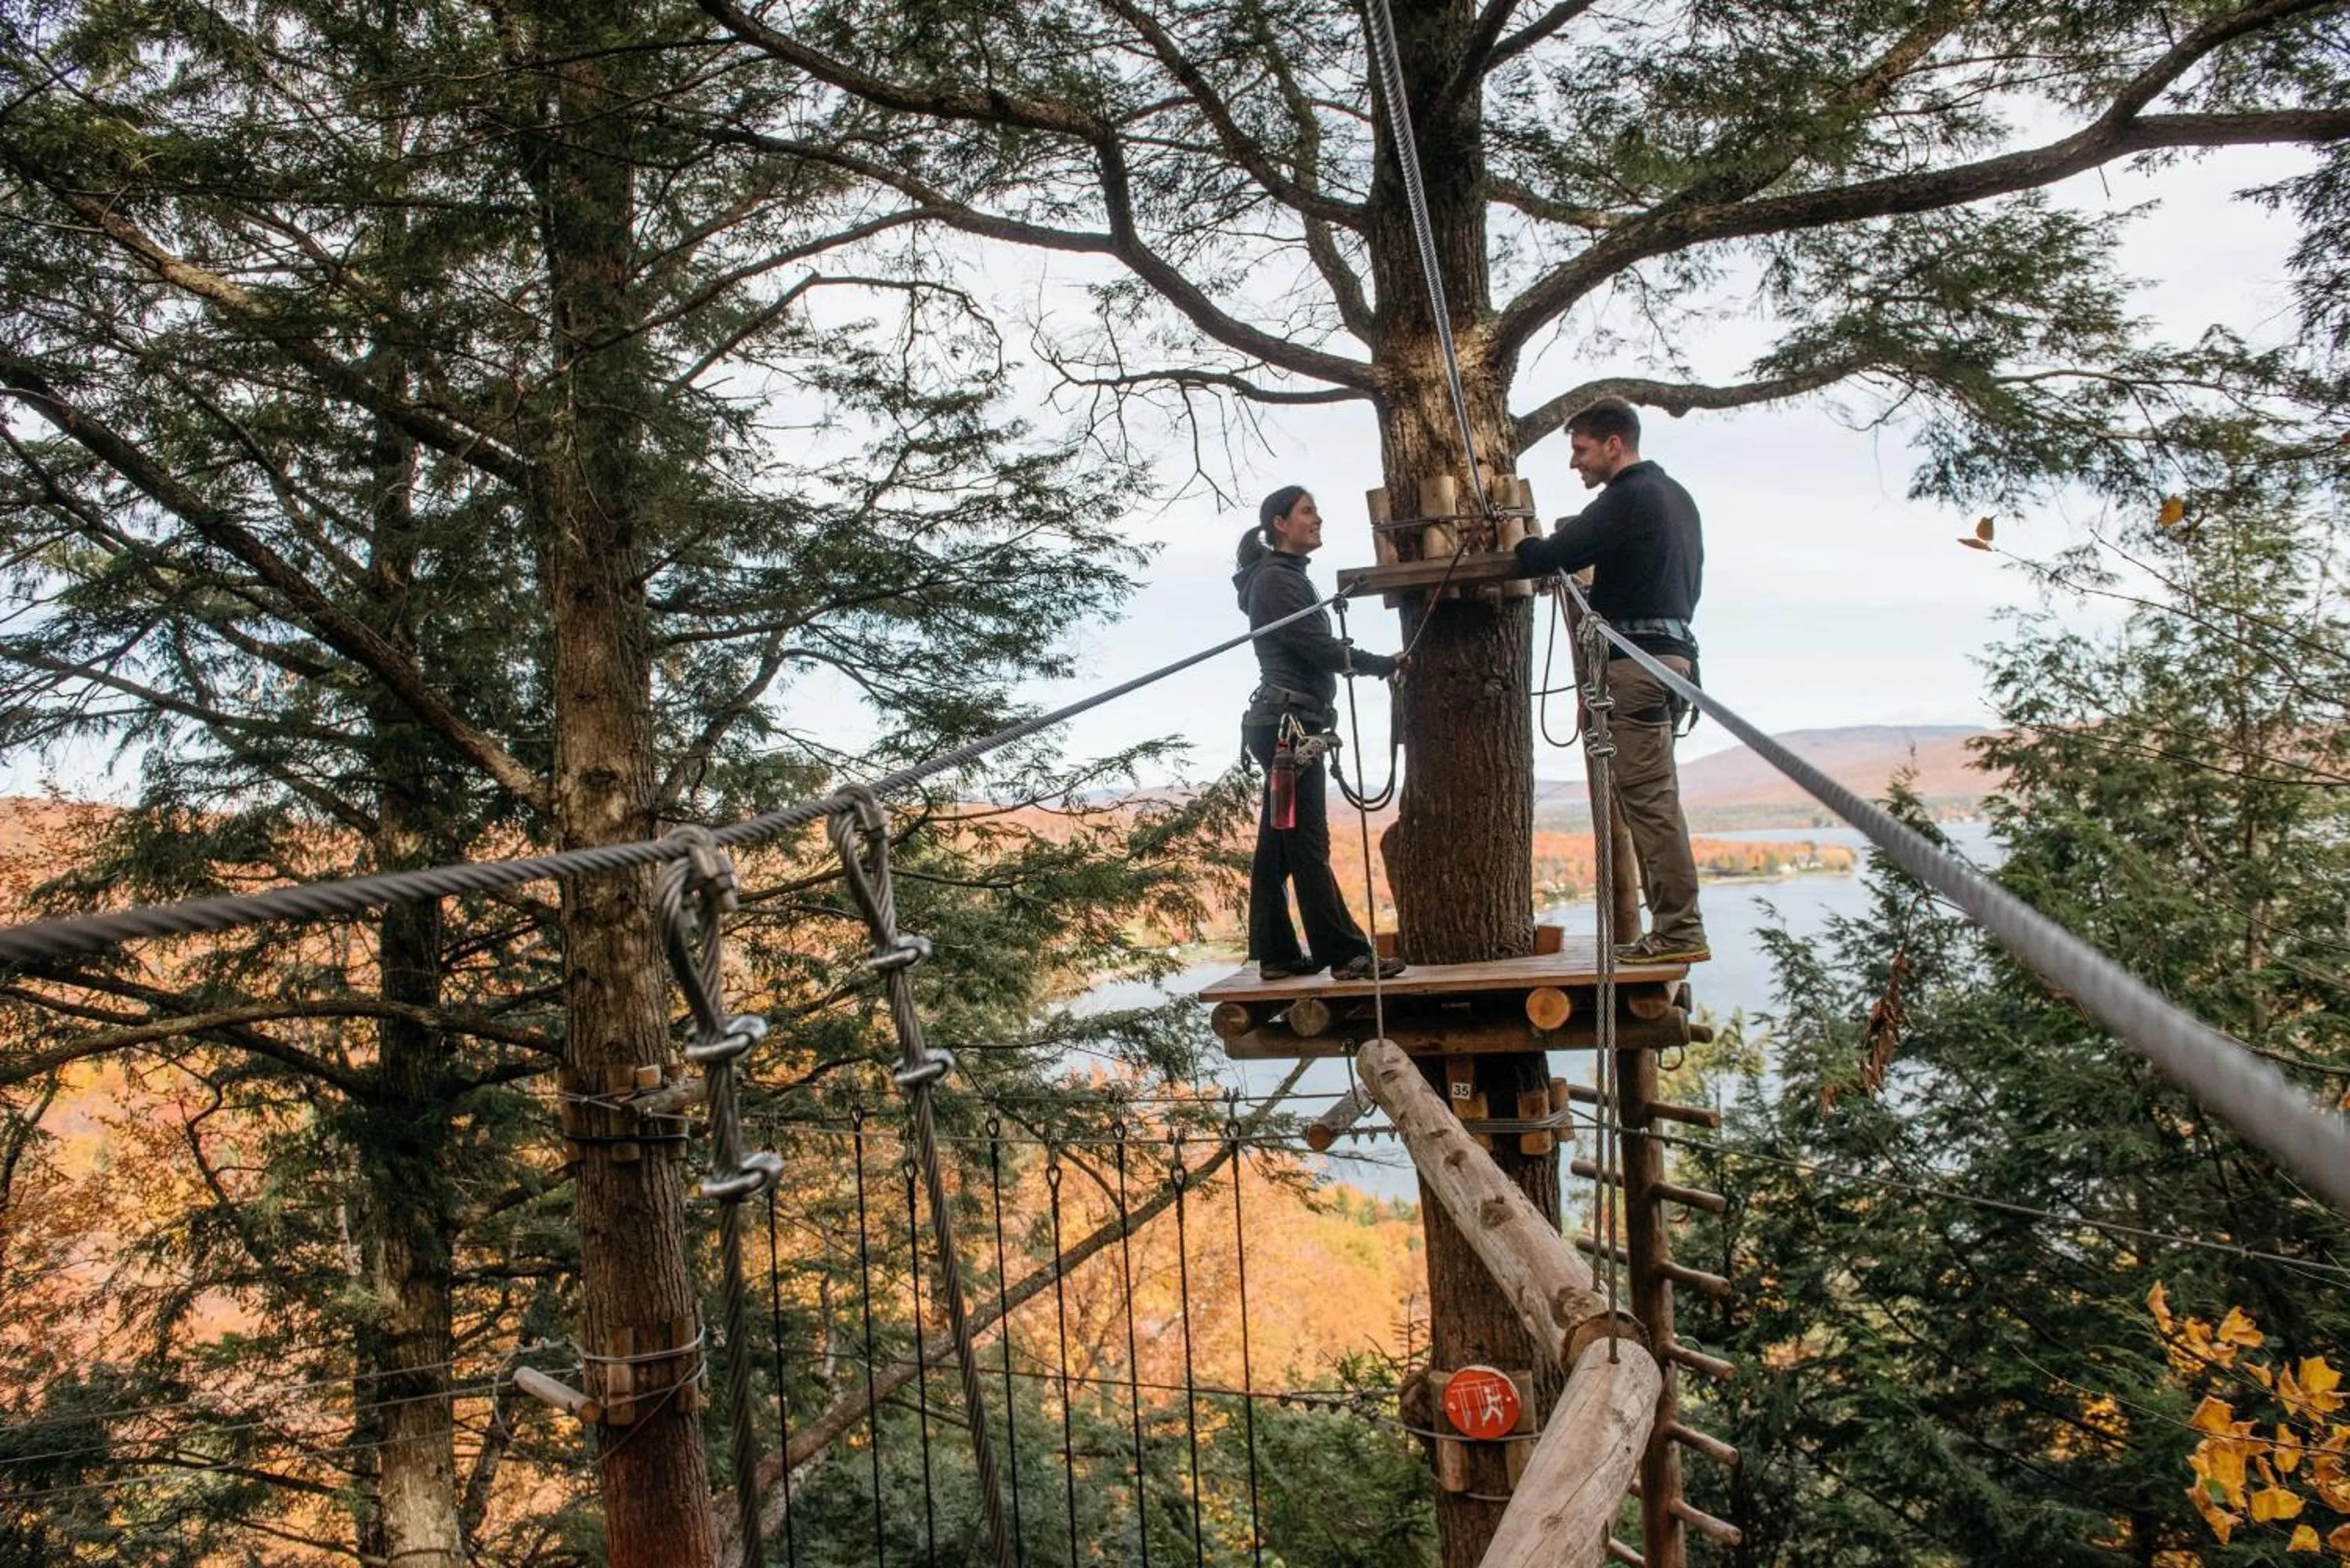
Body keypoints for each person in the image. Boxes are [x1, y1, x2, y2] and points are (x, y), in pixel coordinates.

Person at [1512, 398, 1711, 964]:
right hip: (1671, 661)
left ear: (1613, 444)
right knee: (1652, 799)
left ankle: (1678, 930)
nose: (1576, 463)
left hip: (1638, 667)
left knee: (1649, 803)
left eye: (1581, 450)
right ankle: (1675, 926)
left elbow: (1548, 556)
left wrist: (1522, 542)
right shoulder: (1677, 498)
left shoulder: (1627, 498)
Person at [1234, 486, 1408, 983]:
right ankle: (1346, 954)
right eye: (1308, 511)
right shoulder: (1275, 581)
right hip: (1291, 732)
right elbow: (1316, 647)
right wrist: (1382, 664)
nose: (1318, 519)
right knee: (1306, 841)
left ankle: (1277, 952)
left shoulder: (1283, 577)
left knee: (1279, 843)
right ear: (1279, 524)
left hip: (1286, 726)